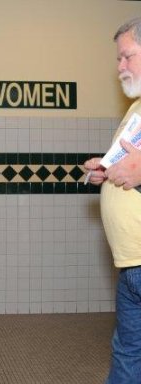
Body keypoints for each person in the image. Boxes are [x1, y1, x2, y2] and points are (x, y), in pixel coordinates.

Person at [84, 17, 141, 384]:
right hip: (132, 262)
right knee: (127, 351)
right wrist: (107, 169)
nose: (119, 67)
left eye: (127, 56)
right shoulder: (136, 108)